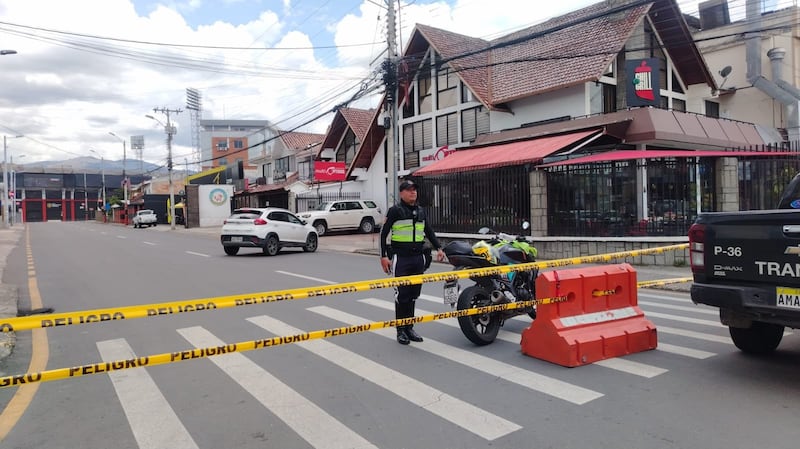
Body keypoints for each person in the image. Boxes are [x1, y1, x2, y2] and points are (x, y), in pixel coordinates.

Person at [380, 179, 445, 345]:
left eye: (414, 190)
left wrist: (439, 248)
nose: (413, 192)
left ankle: (410, 328)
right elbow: (383, 234)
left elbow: (429, 231)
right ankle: (400, 330)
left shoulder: (421, 211)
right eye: (409, 190)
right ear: (402, 193)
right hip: (401, 259)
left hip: (417, 259)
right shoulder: (395, 211)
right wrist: (383, 256)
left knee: (413, 295)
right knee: (402, 295)